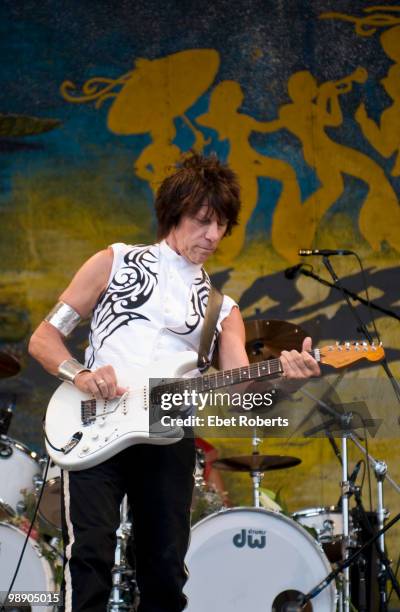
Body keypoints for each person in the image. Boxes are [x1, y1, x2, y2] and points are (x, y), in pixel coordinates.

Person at [29, 153, 320, 612]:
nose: (213, 236)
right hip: (92, 424)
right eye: (203, 221)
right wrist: (80, 373)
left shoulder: (223, 310)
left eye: (222, 225)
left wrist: (287, 378)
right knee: (89, 558)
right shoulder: (112, 262)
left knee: (165, 572)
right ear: (174, 213)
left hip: (168, 434)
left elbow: (240, 388)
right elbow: (44, 339)